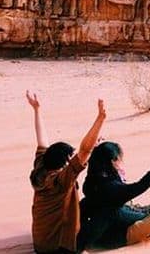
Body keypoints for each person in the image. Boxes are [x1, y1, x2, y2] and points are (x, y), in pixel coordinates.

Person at [27, 91, 106, 254]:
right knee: (108, 216)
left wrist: (37, 109)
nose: (72, 160)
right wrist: (100, 119)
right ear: (64, 164)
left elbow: (41, 139)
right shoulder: (61, 181)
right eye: (70, 159)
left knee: (88, 205)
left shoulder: (41, 167)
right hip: (58, 249)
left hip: (40, 244)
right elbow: (85, 150)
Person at [77, 142, 150, 250]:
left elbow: (94, 163)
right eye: (119, 159)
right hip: (118, 236)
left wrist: (97, 149)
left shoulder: (92, 179)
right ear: (112, 161)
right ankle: (149, 213)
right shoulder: (111, 188)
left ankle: (146, 210)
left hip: (102, 228)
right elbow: (140, 186)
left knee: (123, 205)